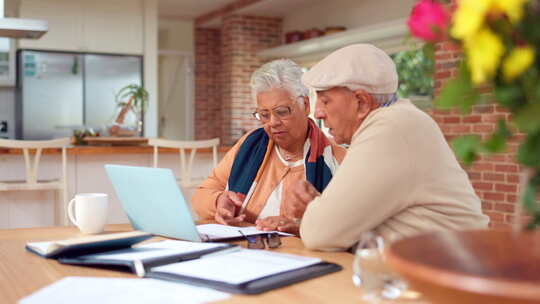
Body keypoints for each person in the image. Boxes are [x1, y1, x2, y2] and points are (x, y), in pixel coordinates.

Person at [287, 44, 489, 251]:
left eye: (325, 101)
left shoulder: (390, 127)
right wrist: (321, 212)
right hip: (438, 268)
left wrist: (314, 213)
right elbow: (346, 225)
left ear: (362, 102)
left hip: (452, 274)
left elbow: (320, 234)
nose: (318, 113)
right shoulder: (399, 119)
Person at [192, 59, 346, 234]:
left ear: (306, 105)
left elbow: (347, 227)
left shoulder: (338, 159)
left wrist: (303, 226)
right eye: (264, 115)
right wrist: (219, 201)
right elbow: (202, 195)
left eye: (281, 112)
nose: (272, 123)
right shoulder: (250, 143)